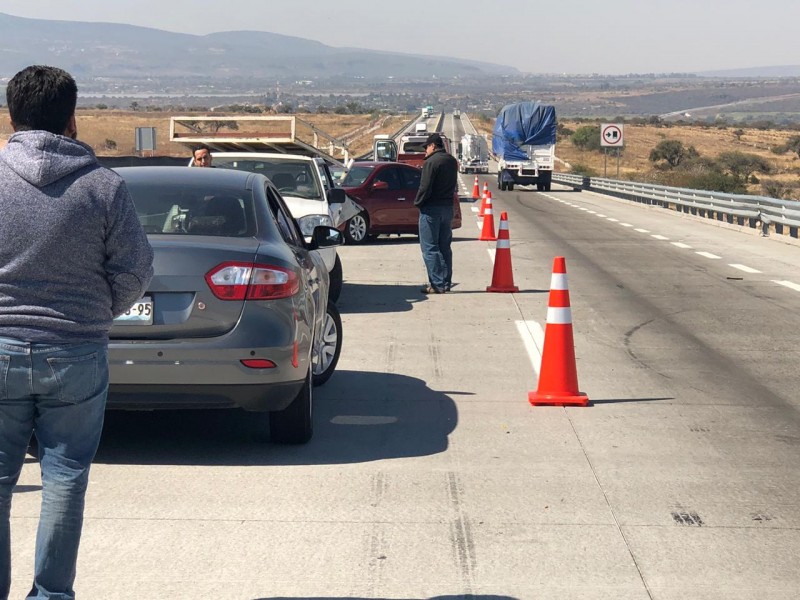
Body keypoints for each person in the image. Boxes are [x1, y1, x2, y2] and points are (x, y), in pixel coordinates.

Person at [0, 65, 154, 600]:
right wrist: (95, 312)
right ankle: (51, 595)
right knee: (64, 480)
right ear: (71, 119)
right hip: (76, 352)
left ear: (11, 115)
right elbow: (135, 269)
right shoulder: (103, 186)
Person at [414, 132, 458, 294]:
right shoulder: (451, 161)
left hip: (431, 209)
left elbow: (425, 187)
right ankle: (445, 282)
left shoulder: (431, 162)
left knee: (430, 248)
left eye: (426, 147)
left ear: (433, 146)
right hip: (447, 208)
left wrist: (418, 203)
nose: (425, 151)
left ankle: (437, 284)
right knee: (444, 246)